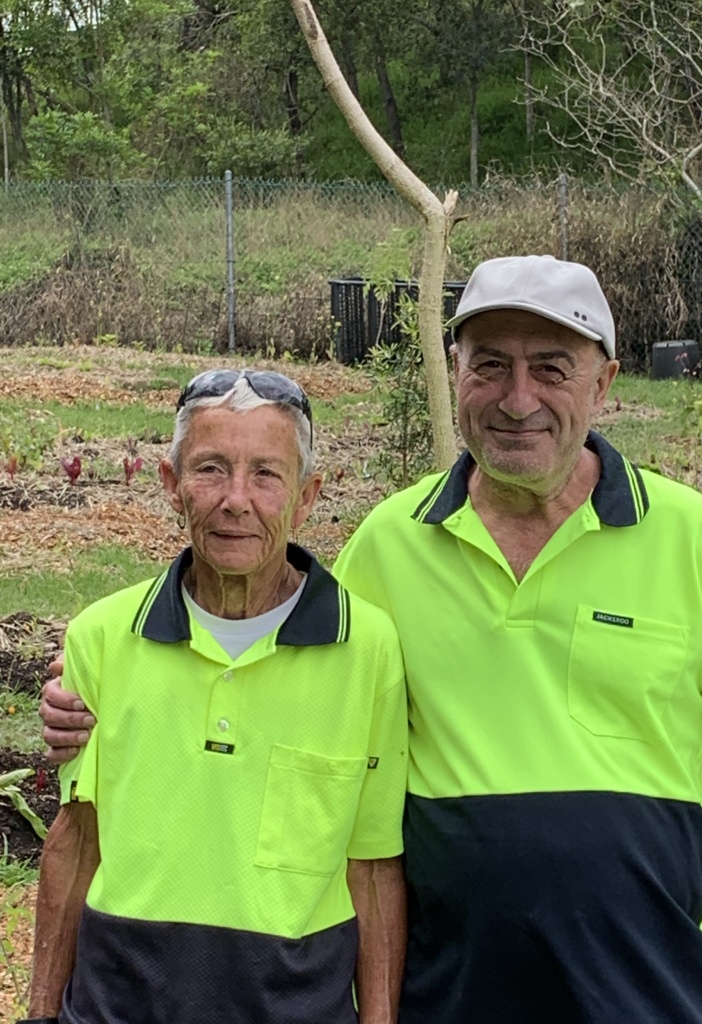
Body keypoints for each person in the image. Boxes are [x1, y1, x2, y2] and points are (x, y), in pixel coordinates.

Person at [41, 257, 702, 1023]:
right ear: (454, 372)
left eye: (551, 368)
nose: (518, 399)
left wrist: (669, 873)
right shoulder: (389, 546)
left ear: (605, 382)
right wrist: (91, 693)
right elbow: (280, 685)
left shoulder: (696, 542)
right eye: (489, 365)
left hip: (650, 994)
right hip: (448, 993)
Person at [26, 369, 408, 1024]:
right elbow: (76, 844)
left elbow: (371, 871)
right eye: (210, 469)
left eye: (266, 474)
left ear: (308, 495)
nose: (236, 499)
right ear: (172, 485)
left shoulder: (366, 649)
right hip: (119, 1005)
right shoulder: (102, 639)